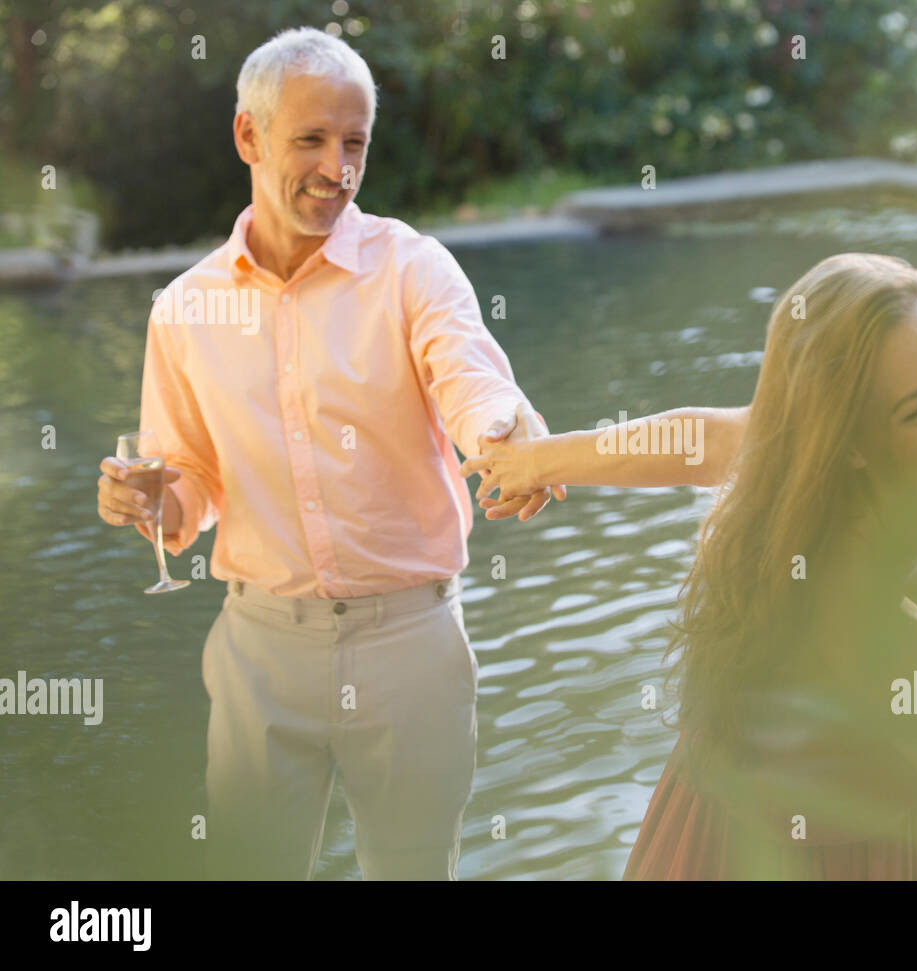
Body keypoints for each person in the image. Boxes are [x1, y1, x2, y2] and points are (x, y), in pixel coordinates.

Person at [463, 252, 917, 880]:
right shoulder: (867, 627)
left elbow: (703, 439)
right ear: (854, 443)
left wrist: (541, 459)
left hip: (873, 822)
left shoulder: (829, 461)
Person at [94, 27, 560, 880]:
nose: (337, 169)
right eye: (310, 139)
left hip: (411, 645)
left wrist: (506, 437)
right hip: (260, 649)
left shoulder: (413, 269)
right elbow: (187, 480)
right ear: (249, 136)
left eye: (355, 144)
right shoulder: (185, 308)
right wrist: (149, 504)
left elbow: (469, 379)